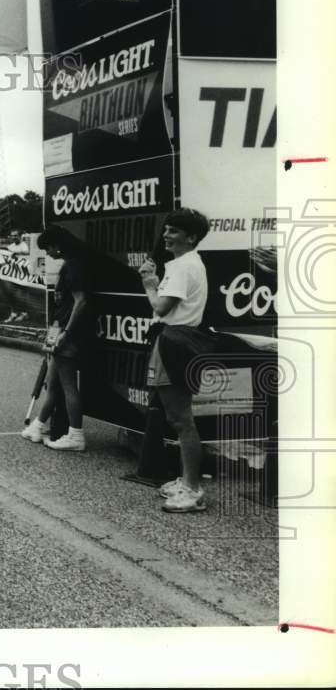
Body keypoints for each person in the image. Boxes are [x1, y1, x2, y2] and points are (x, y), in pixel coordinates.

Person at [138, 208, 211, 513]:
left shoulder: (182, 266)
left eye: (175, 231)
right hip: (178, 339)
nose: (166, 235)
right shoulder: (187, 263)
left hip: (175, 341)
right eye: (166, 229)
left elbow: (162, 307)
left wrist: (149, 282)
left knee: (181, 419)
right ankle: (186, 480)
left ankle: (192, 489)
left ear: (191, 237)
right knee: (177, 417)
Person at [22, 227, 92, 451]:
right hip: (59, 330)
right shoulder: (69, 264)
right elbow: (63, 306)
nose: (48, 253)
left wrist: (65, 333)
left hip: (67, 334)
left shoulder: (73, 266)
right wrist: (53, 335)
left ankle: (76, 435)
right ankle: (38, 425)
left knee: (69, 387)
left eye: (48, 248)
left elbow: (81, 302)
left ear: (58, 244)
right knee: (52, 384)